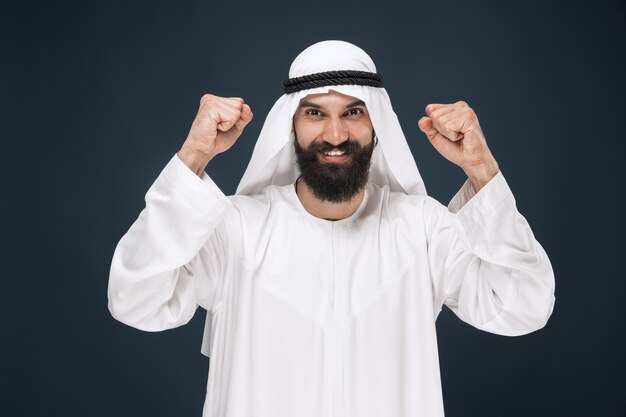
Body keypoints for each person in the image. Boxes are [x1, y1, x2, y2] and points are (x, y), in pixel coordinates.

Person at [108, 40, 555, 417]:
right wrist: (193, 157)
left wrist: (481, 169)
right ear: (292, 127)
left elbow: (524, 306)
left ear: (376, 124)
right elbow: (137, 300)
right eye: (315, 113)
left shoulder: (421, 228)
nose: (336, 133)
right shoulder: (236, 229)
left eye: (354, 111)